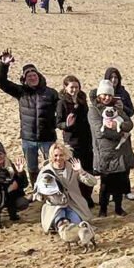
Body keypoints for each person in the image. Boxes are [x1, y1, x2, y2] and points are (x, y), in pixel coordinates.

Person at [0, 49, 59, 185]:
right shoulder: (21, 92)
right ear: (25, 79)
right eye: (29, 75)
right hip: (28, 138)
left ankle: (52, 189)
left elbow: (61, 110)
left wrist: (55, 124)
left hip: (48, 137)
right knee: (32, 167)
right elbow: (1, 82)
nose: (32, 77)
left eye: (34, 74)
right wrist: (3, 65)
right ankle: (36, 189)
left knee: (52, 165)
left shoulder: (51, 93)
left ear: (39, 76)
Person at [88, 79, 134, 216]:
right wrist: (120, 131)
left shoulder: (117, 108)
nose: (107, 97)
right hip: (105, 152)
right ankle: (103, 209)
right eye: (104, 95)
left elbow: (129, 123)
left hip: (120, 151)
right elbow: (99, 132)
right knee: (105, 183)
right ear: (99, 95)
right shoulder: (93, 110)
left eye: (109, 95)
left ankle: (118, 208)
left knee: (120, 182)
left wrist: (120, 126)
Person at [35, 143, 96, 233]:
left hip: (74, 204)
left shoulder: (72, 168)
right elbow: (37, 191)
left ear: (66, 155)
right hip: (55, 205)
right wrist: (43, 195)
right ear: (51, 155)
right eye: (56, 155)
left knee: (76, 225)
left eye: (61, 155)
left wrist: (81, 171)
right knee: (61, 222)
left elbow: (92, 182)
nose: (58, 158)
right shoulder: (45, 171)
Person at [56, 75, 94, 207]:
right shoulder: (62, 102)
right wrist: (66, 125)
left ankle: (87, 197)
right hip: (72, 141)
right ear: (65, 88)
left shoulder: (82, 99)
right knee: (75, 170)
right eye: (71, 87)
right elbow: (58, 123)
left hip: (86, 139)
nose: (74, 90)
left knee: (88, 169)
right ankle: (78, 198)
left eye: (76, 87)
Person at [0, 141, 30, 229]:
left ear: (4, 154)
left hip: (12, 195)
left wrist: (20, 173)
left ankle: (12, 213)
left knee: (23, 202)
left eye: (1, 154)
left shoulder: (10, 166)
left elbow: (24, 184)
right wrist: (2, 187)